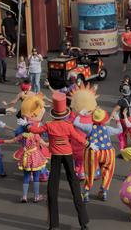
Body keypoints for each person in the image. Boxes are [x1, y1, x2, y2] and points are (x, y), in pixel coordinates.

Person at [27, 92, 90, 230]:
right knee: (75, 187)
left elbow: (36, 130)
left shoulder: (49, 125)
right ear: (64, 113)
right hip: (68, 155)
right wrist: (87, 144)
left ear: (54, 113)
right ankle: (83, 223)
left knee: (52, 189)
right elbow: (77, 137)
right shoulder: (68, 125)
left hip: (55, 156)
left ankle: (54, 225)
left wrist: (28, 126)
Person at [73, 107, 123, 202]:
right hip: (108, 152)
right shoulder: (107, 128)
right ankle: (103, 191)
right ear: (104, 118)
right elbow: (120, 130)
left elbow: (76, 123)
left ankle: (86, 192)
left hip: (93, 152)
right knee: (107, 171)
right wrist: (117, 120)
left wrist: (80, 114)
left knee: (90, 172)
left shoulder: (89, 127)